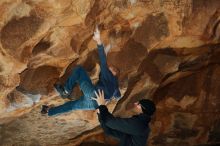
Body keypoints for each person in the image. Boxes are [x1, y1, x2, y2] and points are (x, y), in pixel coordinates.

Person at [41, 27, 121, 116]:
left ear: (114, 73)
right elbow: (118, 96)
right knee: (71, 106)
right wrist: (107, 99)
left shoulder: (109, 76)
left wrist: (98, 40)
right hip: (94, 105)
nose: (110, 67)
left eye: (112, 68)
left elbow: (103, 61)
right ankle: (49, 111)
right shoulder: (115, 86)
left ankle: (66, 90)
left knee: (79, 70)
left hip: (93, 94)